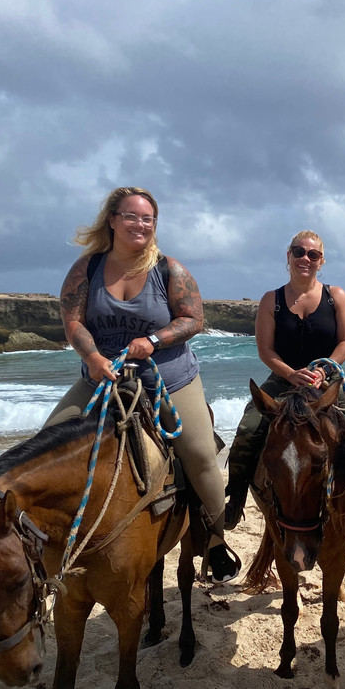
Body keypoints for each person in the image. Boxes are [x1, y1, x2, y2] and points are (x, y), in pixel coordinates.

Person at [45, 186, 239, 584]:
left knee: (201, 454)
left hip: (168, 376)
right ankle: (47, 541)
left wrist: (153, 340)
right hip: (104, 375)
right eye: (131, 216)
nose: (140, 224)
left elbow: (192, 320)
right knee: (48, 440)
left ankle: (217, 541)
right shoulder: (87, 268)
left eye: (147, 218)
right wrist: (94, 358)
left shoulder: (169, 269)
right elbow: (73, 321)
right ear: (112, 220)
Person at [223, 230, 345, 528]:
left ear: (321, 260)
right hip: (283, 380)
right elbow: (266, 350)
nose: (305, 259)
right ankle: (235, 496)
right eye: (299, 252)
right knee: (248, 429)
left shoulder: (335, 296)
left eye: (313, 254)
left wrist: (325, 370)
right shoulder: (271, 300)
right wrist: (291, 374)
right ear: (288, 256)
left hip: (325, 381)